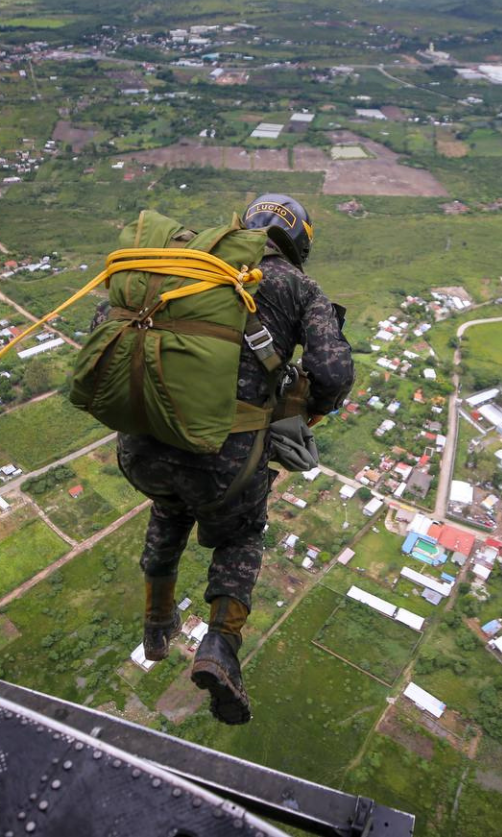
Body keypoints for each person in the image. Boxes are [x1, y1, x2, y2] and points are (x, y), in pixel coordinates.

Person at [109, 194, 354, 725]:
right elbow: (332, 374)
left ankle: (157, 623)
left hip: (140, 445)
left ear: (242, 225)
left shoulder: (188, 264)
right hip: (226, 464)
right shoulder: (299, 285)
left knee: (170, 505)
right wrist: (301, 413)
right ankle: (219, 646)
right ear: (301, 241)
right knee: (241, 531)